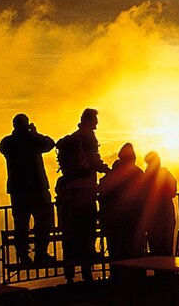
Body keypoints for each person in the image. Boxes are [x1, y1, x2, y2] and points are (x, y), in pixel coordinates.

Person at [56, 108, 110, 283]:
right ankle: (87, 272)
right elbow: (93, 160)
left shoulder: (74, 137)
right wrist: (107, 170)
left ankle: (70, 274)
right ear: (89, 120)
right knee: (87, 229)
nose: (97, 123)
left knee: (71, 232)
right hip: (85, 189)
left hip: (71, 189)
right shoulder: (88, 137)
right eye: (95, 120)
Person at [0, 113, 56, 264]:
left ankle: (23, 255)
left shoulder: (8, 142)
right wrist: (35, 133)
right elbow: (50, 144)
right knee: (43, 223)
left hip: (18, 190)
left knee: (21, 225)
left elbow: (3, 148)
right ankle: (41, 253)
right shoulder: (33, 141)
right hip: (38, 188)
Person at [99, 143, 146, 261]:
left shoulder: (112, 174)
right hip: (134, 222)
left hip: (115, 223)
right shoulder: (138, 173)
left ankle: (118, 277)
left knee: (117, 255)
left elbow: (104, 194)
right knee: (135, 255)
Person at [143, 151, 177, 256]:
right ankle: (167, 270)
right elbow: (173, 192)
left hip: (152, 217)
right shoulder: (166, 174)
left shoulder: (145, 178)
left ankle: (159, 270)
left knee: (155, 249)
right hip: (167, 215)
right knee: (166, 247)